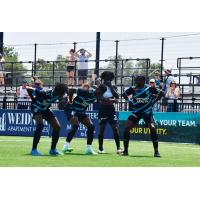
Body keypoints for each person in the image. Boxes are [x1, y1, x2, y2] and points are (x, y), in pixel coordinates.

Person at [121, 75, 164, 157]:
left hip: (147, 112)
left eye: (137, 80)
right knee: (127, 128)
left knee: (152, 128)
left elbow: (162, 93)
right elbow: (124, 94)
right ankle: (125, 151)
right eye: (136, 80)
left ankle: (156, 152)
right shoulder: (133, 89)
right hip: (136, 112)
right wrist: (129, 101)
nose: (135, 82)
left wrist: (154, 102)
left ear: (143, 81)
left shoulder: (149, 88)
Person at [62, 82, 106, 155]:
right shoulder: (87, 92)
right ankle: (65, 146)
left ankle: (88, 149)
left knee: (91, 127)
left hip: (81, 111)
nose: (100, 95)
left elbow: (99, 98)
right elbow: (71, 90)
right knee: (75, 125)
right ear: (98, 90)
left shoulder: (98, 95)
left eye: (102, 93)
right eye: (100, 92)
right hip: (72, 108)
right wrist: (70, 101)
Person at [26, 83, 67, 156]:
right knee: (40, 125)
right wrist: (33, 99)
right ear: (59, 92)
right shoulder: (44, 93)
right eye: (63, 93)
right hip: (37, 107)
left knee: (57, 126)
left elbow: (64, 98)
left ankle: (53, 150)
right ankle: (34, 150)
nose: (63, 94)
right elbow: (28, 89)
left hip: (45, 108)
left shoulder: (58, 95)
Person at [97, 71, 122, 154]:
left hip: (111, 109)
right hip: (103, 109)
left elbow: (117, 96)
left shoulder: (113, 86)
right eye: (107, 78)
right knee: (102, 129)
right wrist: (109, 100)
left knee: (115, 128)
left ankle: (118, 148)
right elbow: (98, 97)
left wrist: (110, 86)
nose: (108, 79)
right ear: (103, 78)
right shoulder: (101, 86)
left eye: (110, 78)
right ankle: (100, 148)